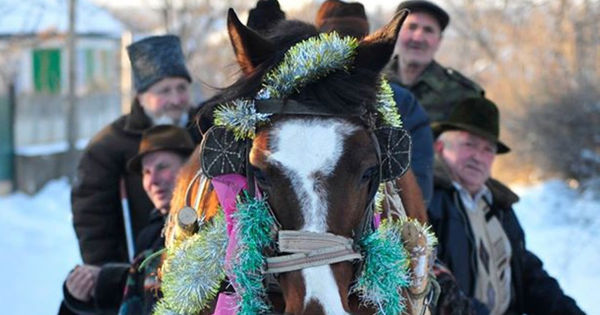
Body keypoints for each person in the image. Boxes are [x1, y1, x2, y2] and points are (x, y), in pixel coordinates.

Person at [428, 97, 584, 315]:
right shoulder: (426, 198)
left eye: (487, 149)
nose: (478, 157)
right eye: (469, 144)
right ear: (440, 146)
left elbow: (524, 270)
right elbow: (427, 274)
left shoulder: (500, 205)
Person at [71, 35, 196, 265]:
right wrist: (111, 275)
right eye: (164, 91)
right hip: (138, 267)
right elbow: (92, 218)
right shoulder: (109, 145)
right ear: (141, 98)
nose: (176, 99)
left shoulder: (204, 129)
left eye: (181, 87)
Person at [62, 125, 195, 315]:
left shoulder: (200, 220)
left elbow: (170, 278)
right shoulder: (150, 232)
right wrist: (83, 291)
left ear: (188, 168)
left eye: (162, 167)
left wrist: (105, 280)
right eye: (146, 172)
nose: (152, 181)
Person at [316, 0, 434, 208]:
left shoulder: (401, 102)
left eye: (352, 43)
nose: (343, 56)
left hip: (385, 223)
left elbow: (420, 191)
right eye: (335, 43)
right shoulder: (301, 100)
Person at [386, 0, 484, 123]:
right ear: (396, 33)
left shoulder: (463, 96)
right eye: (411, 27)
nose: (418, 38)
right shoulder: (370, 83)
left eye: (428, 30)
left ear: (439, 40)